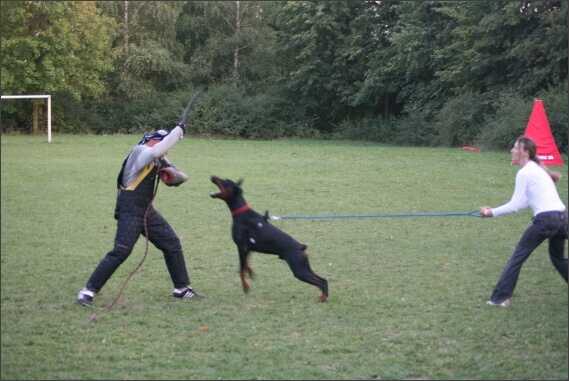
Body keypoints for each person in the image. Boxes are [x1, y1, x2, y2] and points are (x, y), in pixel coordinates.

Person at [76, 123, 204, 307]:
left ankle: (181, 288)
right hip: (130, 210)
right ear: (155, 141)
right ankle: (87, 291)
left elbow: (183, 176)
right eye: (165, 146)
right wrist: (178, 131)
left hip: (146, 210)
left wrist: (170, 174)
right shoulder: (141, 151)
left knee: (171, 243)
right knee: (121, 251)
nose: (166, 152)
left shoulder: (157, 157)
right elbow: (156, 151)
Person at [479, 136, 567, 308]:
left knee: (517, 257)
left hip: (546, 220)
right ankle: (501, 298)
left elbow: (514, 206)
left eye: (515, 148)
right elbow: (524, 202)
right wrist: (492, 211)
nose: (512, 150)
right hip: (563, 218)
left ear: (525, 152)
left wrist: (490, 213)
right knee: (558, 258)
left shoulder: (525, 172)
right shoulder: (537, 169)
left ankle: (500, 299)